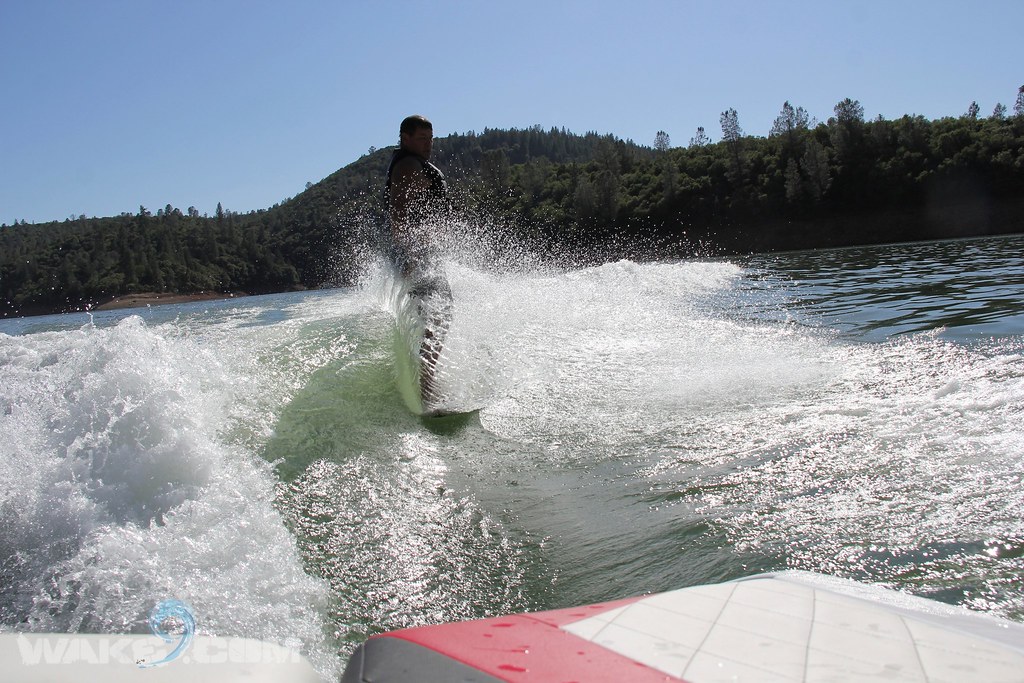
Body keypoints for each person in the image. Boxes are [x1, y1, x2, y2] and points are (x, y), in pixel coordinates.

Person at [384, 115, 453, 407]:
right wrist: (410, 253)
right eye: (422, 139)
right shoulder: (409, 166)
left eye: (431, 139)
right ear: (405, 137)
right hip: (417, 255)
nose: (428, 145)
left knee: (436, 316)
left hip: (421, 253)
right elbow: (398, 210)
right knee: (440, 313)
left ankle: (425, 381)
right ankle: (426, 387)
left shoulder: (412, 164)